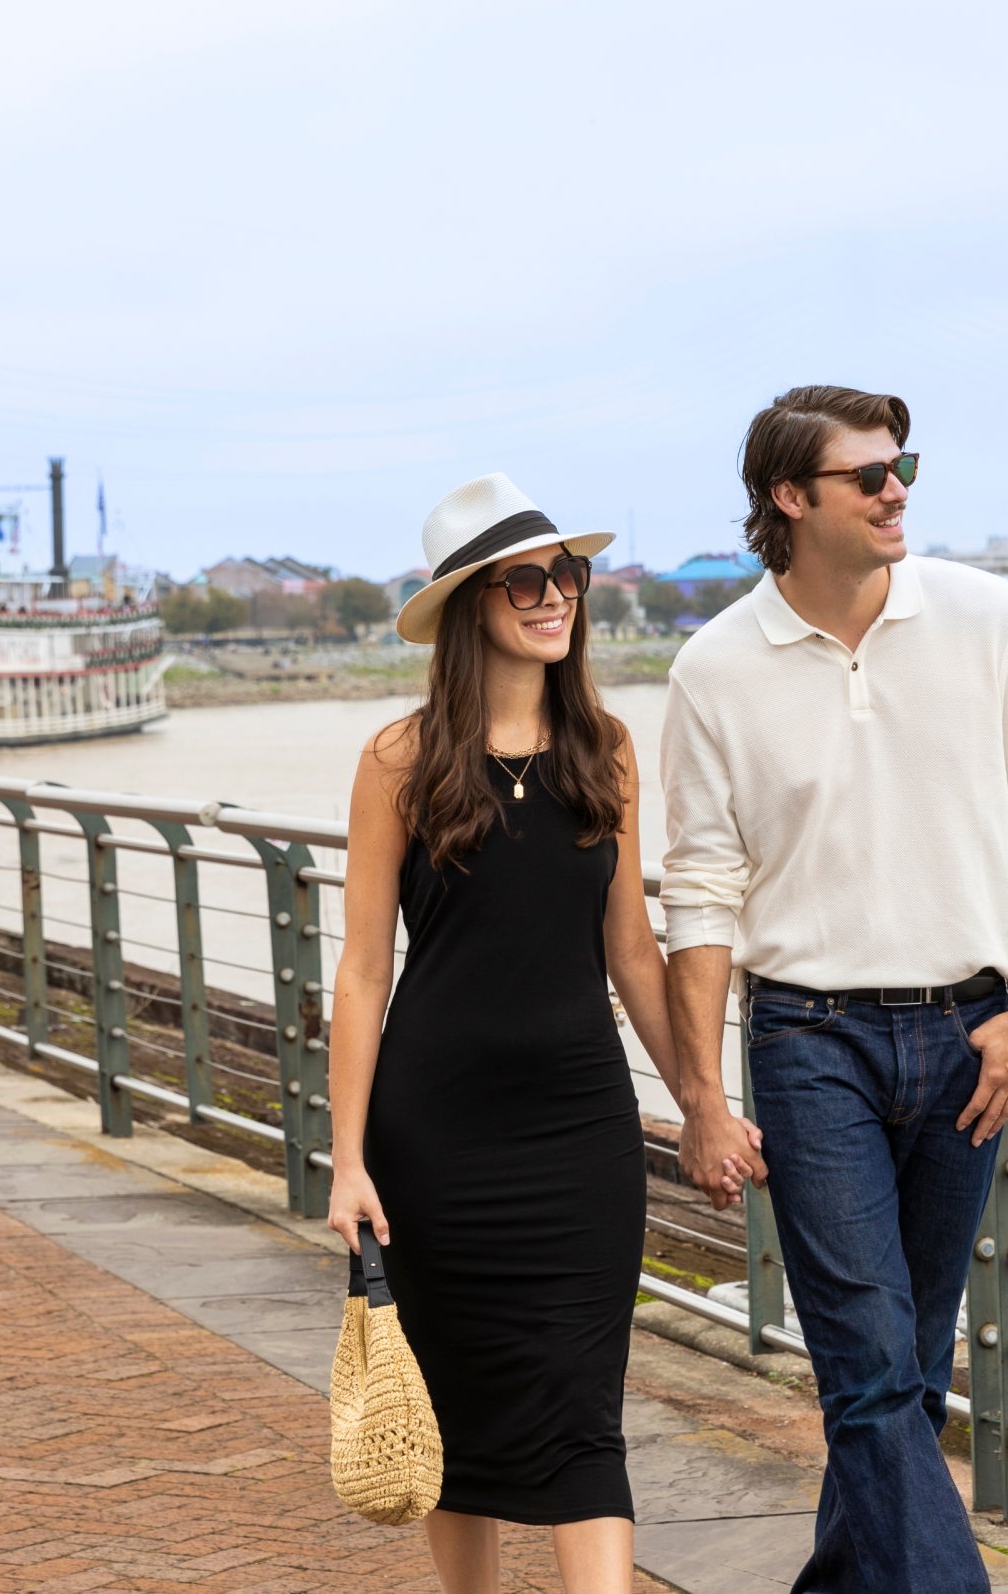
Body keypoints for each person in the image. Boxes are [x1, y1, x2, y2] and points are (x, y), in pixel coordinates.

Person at [661, 387, 1008, 1593]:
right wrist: (696, 1090)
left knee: (905, 1364)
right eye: (868, 476)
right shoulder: (715, 668)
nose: (897, 491)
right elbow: (699, 892)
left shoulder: (985, 617)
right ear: (790, 499)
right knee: (869, 1368)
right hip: (808, 1041)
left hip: (970, 1031)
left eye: (903, 468)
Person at [327, 473, 726, 1594]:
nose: (556, 597)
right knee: (454, 1416)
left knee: (580, 1410)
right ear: (471, 605)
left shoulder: (604, 749)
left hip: (579, 1135)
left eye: (568, 575)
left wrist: (702, 1100)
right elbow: (362, 971)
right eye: (527, 580)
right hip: (433, 1142)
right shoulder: (398, 761)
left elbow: (633, 953)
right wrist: (347, 1162)